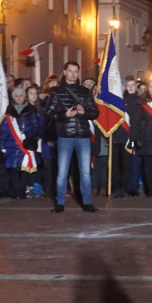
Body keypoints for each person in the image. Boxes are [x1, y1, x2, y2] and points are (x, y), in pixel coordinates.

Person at [46, 61, 100, 213]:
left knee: (85, 172)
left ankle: (87, 202)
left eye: (76, 71)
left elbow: (95, 113)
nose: (73, 74)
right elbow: (49, 112)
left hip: (83, 135)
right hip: (65, 136)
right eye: (70, 71)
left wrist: (85, 113)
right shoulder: (56, 91)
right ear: (64, 72)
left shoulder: (85, 91)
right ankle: (60, 203)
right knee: (62, 171)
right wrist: (65, 115)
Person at [0, 87, 42, 198]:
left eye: (21, 95)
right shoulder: (8, 111)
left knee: (24, 170)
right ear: (13, 97)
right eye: (16, 96)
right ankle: (17, 192)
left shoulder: (31, 110)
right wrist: (2, 145)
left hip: (26, 144)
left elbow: (36, 127)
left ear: (24, 96)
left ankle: (21, 192)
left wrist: (26, 135)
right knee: (12, 169)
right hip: (11, 145)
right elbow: (4, 129)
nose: (19, 98)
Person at [126, 80, 152, 197]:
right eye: (151, 87)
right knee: (147, 167)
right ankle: (149, 190)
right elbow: (136, 122)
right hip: (146, 139)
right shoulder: (141, 104)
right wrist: (134, 138)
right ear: (148, 89)